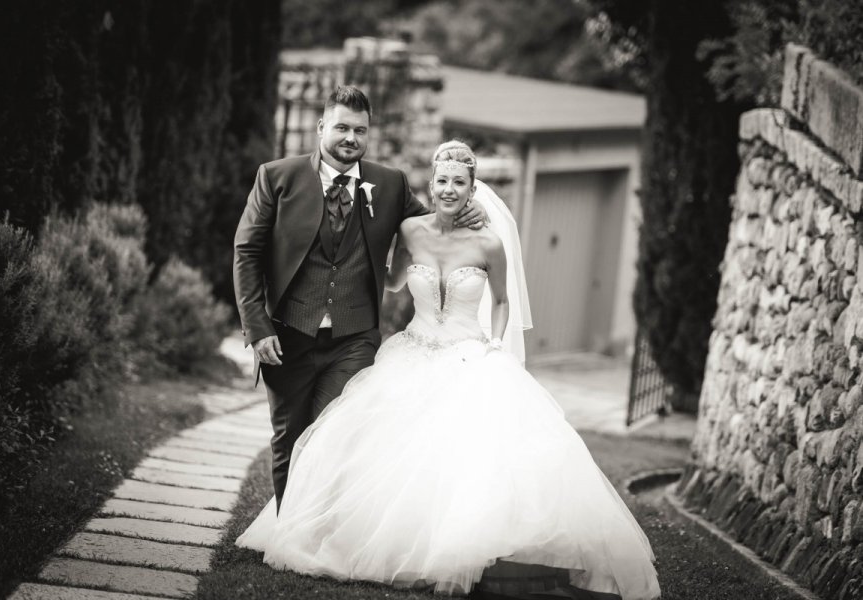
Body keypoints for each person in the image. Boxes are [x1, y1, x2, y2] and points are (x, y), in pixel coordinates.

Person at [235, 141, 661, 600]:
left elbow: (500, 302)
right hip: (412, 351)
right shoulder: (410, 231)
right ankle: (335, 528)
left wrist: (495, 346)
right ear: (430, 184)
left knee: (460, 461)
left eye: (460, 182)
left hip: (468, 354)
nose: (450, 189)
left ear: (473, 189)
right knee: (371, 449)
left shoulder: (488, 242)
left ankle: (446, 549)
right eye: (442, 180)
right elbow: (393, 280)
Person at [233, 87, 485, 508]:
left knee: (332, 435)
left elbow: (433, 225)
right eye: (342, 127)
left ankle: (315, 530)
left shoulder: (389, 184)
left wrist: (469, 212)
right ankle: (286, 526)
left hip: (354, 338)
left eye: (360, 130)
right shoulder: (277, 177)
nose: (351, 137)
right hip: (287, 336)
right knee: (289, 437)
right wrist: (257, 328)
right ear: (321, 128)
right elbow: (247, 253)